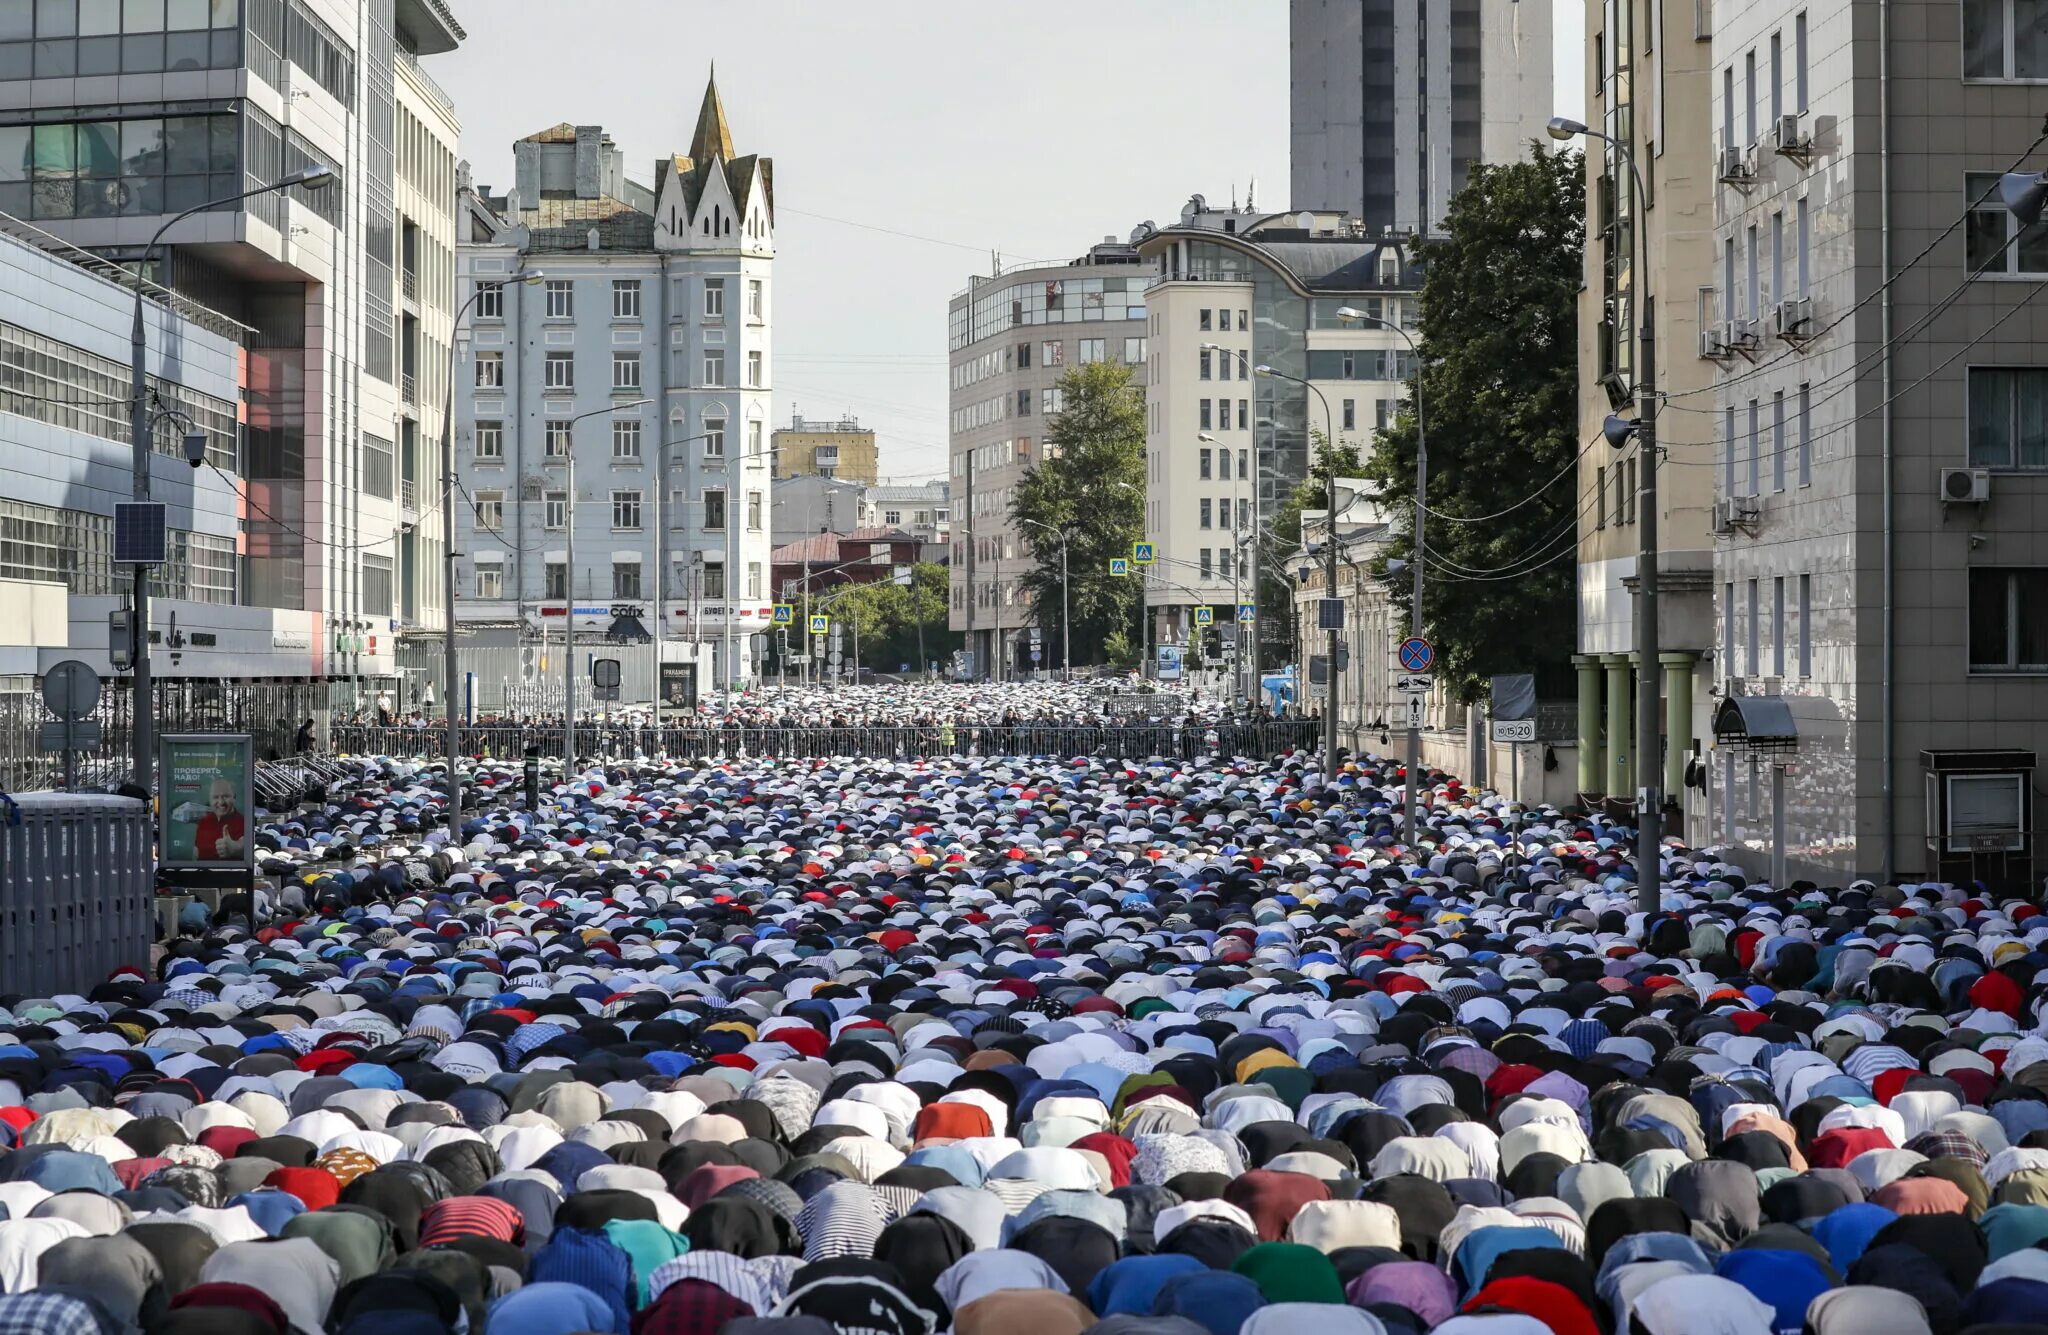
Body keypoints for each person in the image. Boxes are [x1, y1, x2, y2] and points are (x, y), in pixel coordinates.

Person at [193, 776, 244, 861]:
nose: (221, 802)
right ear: (209, 799)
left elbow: (244, 844)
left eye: (226, 796)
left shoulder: (243, 822)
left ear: (234, 798)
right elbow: (196, 852)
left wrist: (235, 848)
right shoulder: (204, 821)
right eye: (215, 797)